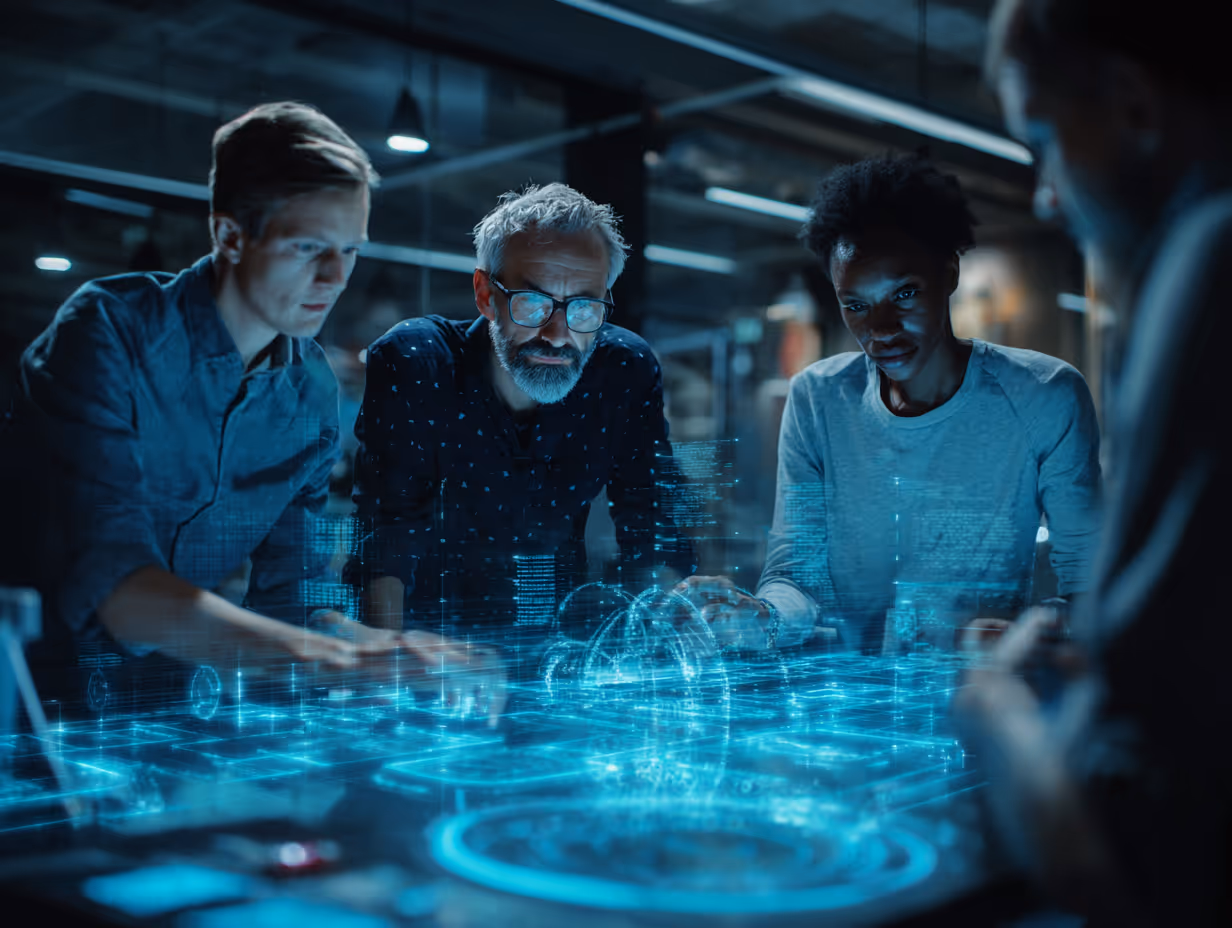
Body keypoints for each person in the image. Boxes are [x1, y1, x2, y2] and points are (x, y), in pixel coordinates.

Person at [0, 102, 501, 720]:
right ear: (230, 235)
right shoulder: (109, 330)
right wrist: (337, 660)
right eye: (307, 247)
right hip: (19, 693)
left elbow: (294, 593)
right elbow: (113, 581)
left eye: (349, 249)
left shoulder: (312, 388)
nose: (334, 277)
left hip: (154, 712)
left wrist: (384, 645)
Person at [955, 1, 1232, 924]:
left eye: (1043, 136)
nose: (1043, 194)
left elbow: (1119, 848)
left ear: (1133, 107)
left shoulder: (1208, 262)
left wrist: (994, 709)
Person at [679, 155, 1101, 654]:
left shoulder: (1043, 393)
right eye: (855, 304)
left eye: (904, 294)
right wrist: (763, 616)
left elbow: (1092, 589)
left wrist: (1024, 634)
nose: (879, 329)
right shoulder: (817, 398)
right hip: (850, 701)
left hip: (983, 695)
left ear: (949, 274)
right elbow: (797, 576)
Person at [350, 183, 695, 656]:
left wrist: (672, 623)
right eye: (533, 303)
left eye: (583, 306)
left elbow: (653, 519)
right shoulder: (418, 359)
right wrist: (390, 662)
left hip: (558, 647)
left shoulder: (624, 368)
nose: (557, 335)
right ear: (485, 295)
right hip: (428, 645)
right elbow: (387, 530)